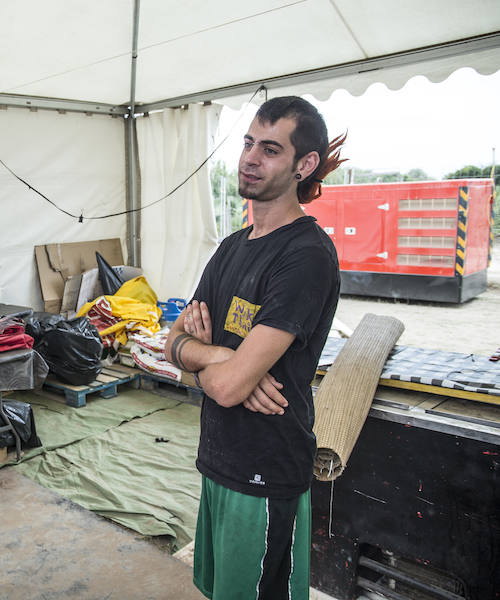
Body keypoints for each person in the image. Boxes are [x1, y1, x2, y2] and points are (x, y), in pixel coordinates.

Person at [164, 95, 346, 600]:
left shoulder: (305, 255)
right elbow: (171, 342)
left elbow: (221, 386)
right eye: (248, 143)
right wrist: (220, 358)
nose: (249, 158)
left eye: (270, 149)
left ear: (303, 165)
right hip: (219, 459)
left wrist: (206, 363)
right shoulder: (230, 248)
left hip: (267, 471)